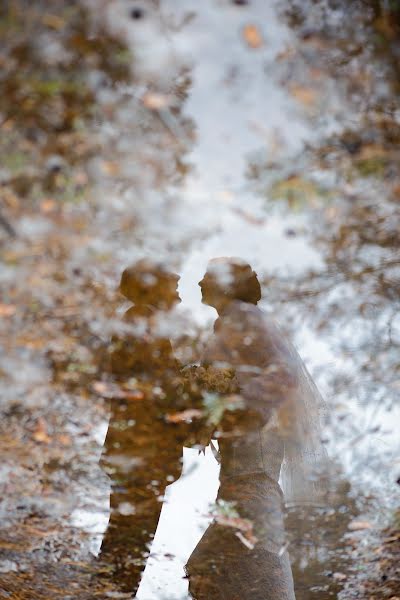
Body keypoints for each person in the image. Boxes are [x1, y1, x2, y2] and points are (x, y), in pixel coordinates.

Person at [186, 257, 328, 600]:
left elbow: (283, 374)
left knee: (250, 507)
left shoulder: (243, 317)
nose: (200, 282)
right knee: (240, 516)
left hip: (258, 434)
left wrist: (238, 410)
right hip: (247, 438)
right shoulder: (228, 322)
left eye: (207, 277)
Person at [99, 259, 198, 595]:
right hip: (141, 452)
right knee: (127, 545)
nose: (180, 300)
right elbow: (156, 389)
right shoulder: (143, 319)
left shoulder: (142, 321)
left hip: (139, 452)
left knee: (128, 544)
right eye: (174, 289)